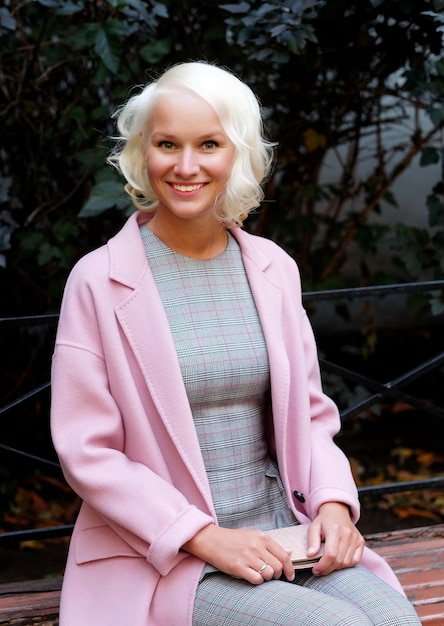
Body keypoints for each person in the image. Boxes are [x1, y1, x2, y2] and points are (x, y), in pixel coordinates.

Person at [50, 61, 421, 626]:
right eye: (167, 144)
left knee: (395, 621)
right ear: (142, 153)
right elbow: (88, 453)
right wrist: (203, 536)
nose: (186, 165)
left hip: (286, 533)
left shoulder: (273, 269)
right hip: (170, 556)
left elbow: (312, 415)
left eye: (209, 144)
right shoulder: (98, 281)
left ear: (238, 154)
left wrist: (334, 505)